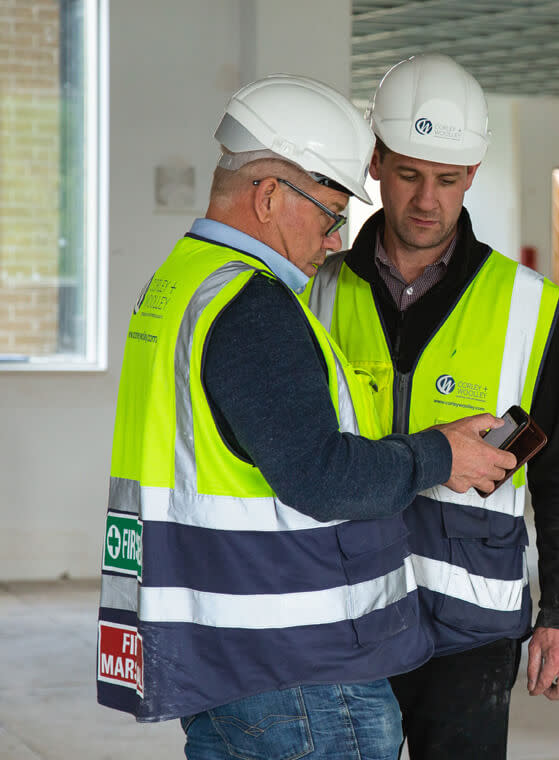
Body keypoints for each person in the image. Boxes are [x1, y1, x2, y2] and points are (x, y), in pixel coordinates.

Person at [95, 73, 515, 760]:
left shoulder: (180, 285)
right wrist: (440, 453)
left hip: (225, 651)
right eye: (328, 215)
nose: (332, 242)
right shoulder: (254, 306)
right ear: (267, 196)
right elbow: (320, 476)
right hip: (298, 671)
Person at [308, 54, 559, 759]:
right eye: (408, 174)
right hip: (342, 612)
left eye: (446, 179)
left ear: (472, 174)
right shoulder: (313, 293)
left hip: (472, 632)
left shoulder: (526, 306)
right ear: (376, 163)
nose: (426, 200)